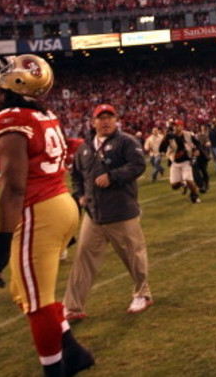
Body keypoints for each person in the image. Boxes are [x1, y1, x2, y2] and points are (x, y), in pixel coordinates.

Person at [0, 54, 94, 377]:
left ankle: (55, 370)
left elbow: (14, 188)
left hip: (38, 210)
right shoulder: (42, 114)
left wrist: (0, 243)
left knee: (37, 302)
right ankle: (72, 351)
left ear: (5, 89)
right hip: (60, 203)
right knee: (24, 292)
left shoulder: (9, 119)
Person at [63, 104, 152, 320]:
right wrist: (80, 194)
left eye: (109, 117)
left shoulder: (126, 142)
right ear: (93, 122)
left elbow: (138, 165)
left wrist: (113, 176)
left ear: (116, 120)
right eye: (100, 118)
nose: (105, 121)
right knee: (83, 259)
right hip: (94, 214)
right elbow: (76, 175)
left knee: (133, 255)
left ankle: (143, 294)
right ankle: (72, 306)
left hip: (122, 211)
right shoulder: (84, 147)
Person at [162, 119, 202, 203]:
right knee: (174, 185)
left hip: (186, 161)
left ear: (181, 126)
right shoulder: (170, 136)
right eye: (174, 126)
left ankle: (195, 195)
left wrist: (197, 150)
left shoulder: (188, 135)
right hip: (175, 162)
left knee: (189, 179)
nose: (175, 127)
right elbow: (163, 148)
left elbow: (197, 143)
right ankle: (183, 184)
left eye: (177, 125)